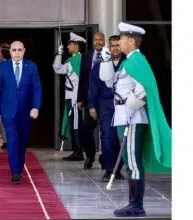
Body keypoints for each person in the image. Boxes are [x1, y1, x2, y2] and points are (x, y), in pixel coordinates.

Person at [101, 22, 171, 217]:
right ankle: (134, 203)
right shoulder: (128, 61)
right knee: (129, 159)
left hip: (132, 117)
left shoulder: (137, 60)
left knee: (132, 161)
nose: (119, 42)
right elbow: (110, 83)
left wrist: (132, 105)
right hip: (124, 115)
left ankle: (136, 205)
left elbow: (143, 89)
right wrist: (106, 62)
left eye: (122, 39)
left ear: (131, 40)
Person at [0, 41, 42, 184]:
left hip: (26, 112)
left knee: (22, 142)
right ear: (10, 52)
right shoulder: (2, 67)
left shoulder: (31, 67)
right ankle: (15, 172)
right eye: (14, 50)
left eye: (20, 50)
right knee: (12, 141)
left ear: (24, 51)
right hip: (8, 112)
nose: (17, 52)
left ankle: (19, 168)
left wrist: (35, 107)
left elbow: (37, 89)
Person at [87, 35, 126, 182]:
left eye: (118, 45)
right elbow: (93, 87)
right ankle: (109, 169)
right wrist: (91, 106)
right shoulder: (100, 64)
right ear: (109, 47)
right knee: (107, 137)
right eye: (113, 46)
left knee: (120, 137)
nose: (115, 48)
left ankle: (118, 169)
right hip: (106, 104)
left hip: (123, 105)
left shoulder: (127, 63)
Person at [74, 32, 106, 168]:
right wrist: (80, 99)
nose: (98, 42)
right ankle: (90, 156)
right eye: (96, 40)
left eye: (100, 40)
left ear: (104, 42)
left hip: (105, 100)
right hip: (89, 99)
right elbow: (82, 78)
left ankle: (106, 159)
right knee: (85, 129)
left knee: (107, 131)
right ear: (93, 41)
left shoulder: (109, 55)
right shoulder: (87, 56)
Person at [52, 32, 86, 161]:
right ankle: (76, 151)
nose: (68, 47)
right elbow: (58, 68)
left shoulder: (78, 60)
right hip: (70, 97)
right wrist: (59, 54)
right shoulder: (72, 60)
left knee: (76, 125)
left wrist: (80, 98)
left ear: (76, 45)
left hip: (75, 98)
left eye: (70, 45)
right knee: (72, 125)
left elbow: (80, 82)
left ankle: (78, 152)